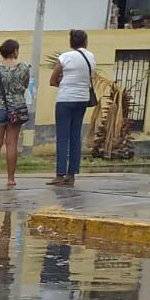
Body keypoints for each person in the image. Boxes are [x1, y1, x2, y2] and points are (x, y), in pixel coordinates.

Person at [48, 28, 95, 186]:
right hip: (82, 99)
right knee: (75, 137)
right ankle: (72, 175)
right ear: (85, 41)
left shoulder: (65, 57)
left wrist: (64, 81)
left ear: (71, 42)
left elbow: (52, 80)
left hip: (65, 100)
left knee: (63, 138)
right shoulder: (90, 57)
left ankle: (60, 175)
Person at [0, 39, 30, 189]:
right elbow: (26, 85)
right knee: (12, 143)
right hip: (17, 108)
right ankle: (10, 178)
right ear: (15, 51)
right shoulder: (23, 68)